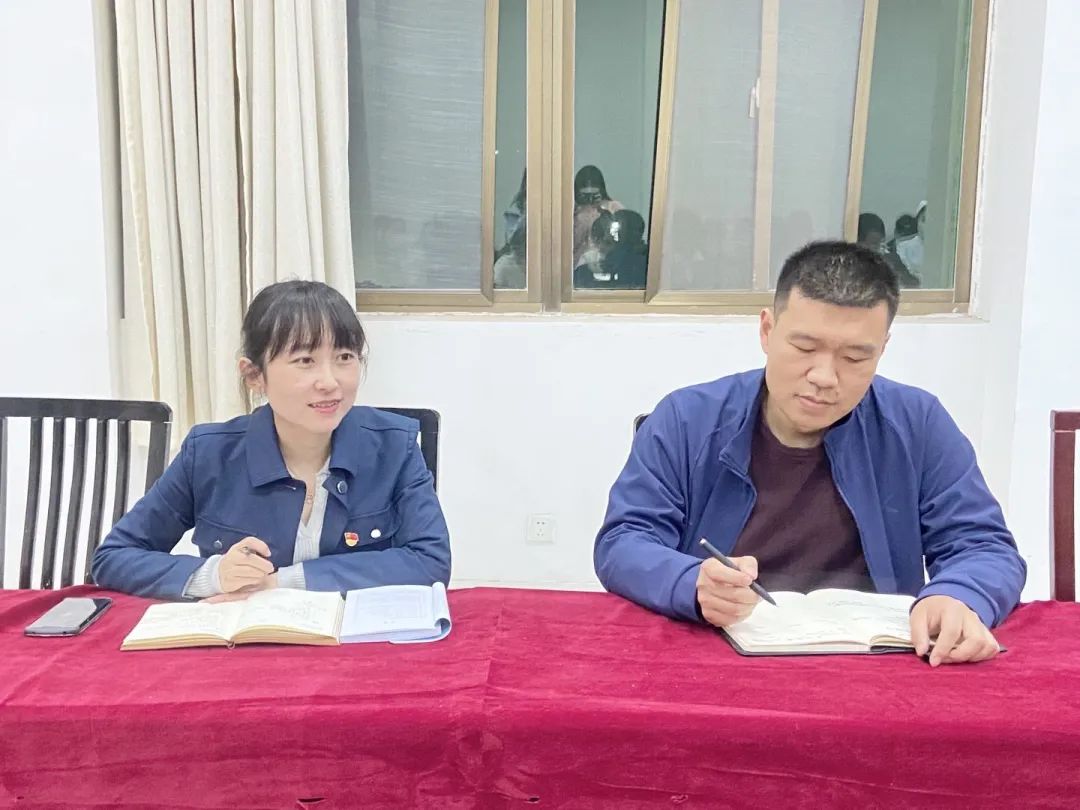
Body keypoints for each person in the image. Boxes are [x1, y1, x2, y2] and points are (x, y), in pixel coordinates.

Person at [594, 241, 1025, 666]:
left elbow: (983, 546)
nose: (824, 377)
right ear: (767, 330)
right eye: (804, 348)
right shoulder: (688, 419)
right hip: (717, 658)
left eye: (854, 357)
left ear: (882, 350)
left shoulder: (917, 424)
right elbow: (624, 540)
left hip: (878, 662)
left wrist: (959, 595)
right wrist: (690, 582)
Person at [93, 280, 451, 601]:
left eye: (344, 357)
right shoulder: (208, 454)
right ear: (254, 375)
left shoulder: (395, 446)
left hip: (355, 642)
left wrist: (283, 583)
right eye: (305, 360)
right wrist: (214, 576)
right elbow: (115, 556)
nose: (330, 382)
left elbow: (429, 561)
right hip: (246, 644)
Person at [572, 165, 623, 269]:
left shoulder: (614, 208)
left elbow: (622, 237)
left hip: (608, 262)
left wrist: (602, 209)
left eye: (593, 195)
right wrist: (580, 214)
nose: (590, 200)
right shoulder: (572, 213)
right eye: (585, 195)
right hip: (579, 264)